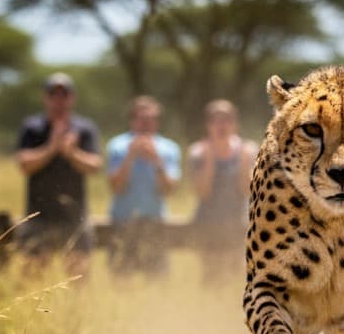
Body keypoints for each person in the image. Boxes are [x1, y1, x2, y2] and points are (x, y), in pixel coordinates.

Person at [15, 72, 102, 276]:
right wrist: (52, 147)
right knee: (32, 278)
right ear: (45, 97)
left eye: (64, 95)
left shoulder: (84, 129)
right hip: (38, 216)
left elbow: (95, 166)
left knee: (78, 277)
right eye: (54, 94)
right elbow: (24, 165)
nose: (59, 100)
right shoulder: (33, 128)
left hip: (75, 216)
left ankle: (77, 309)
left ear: (72, 98)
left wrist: (71, 153)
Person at [106, 96, 182, 274]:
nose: (147, 124)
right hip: (123, 221)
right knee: (121, 279)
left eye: (152, 119)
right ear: (132, 120)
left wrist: (156, 160)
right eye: (142, 119)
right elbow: (116, 187)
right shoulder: (117, 146)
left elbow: (169, 190)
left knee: (157, 281)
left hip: (155, 222)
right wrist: (130, 157)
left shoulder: (169, 148)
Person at [187, 99, 257, 276]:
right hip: (208, 223)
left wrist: (244, 161)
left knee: (238, 275)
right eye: (216, 120)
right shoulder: (198, 151)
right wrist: (210, 157)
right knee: (211, 274)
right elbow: (202, 192)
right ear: (208, 124)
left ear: (235, 123)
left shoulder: (248, 150)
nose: (222, 125)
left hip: (239, 223)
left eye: (227, 119)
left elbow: (247, 190)